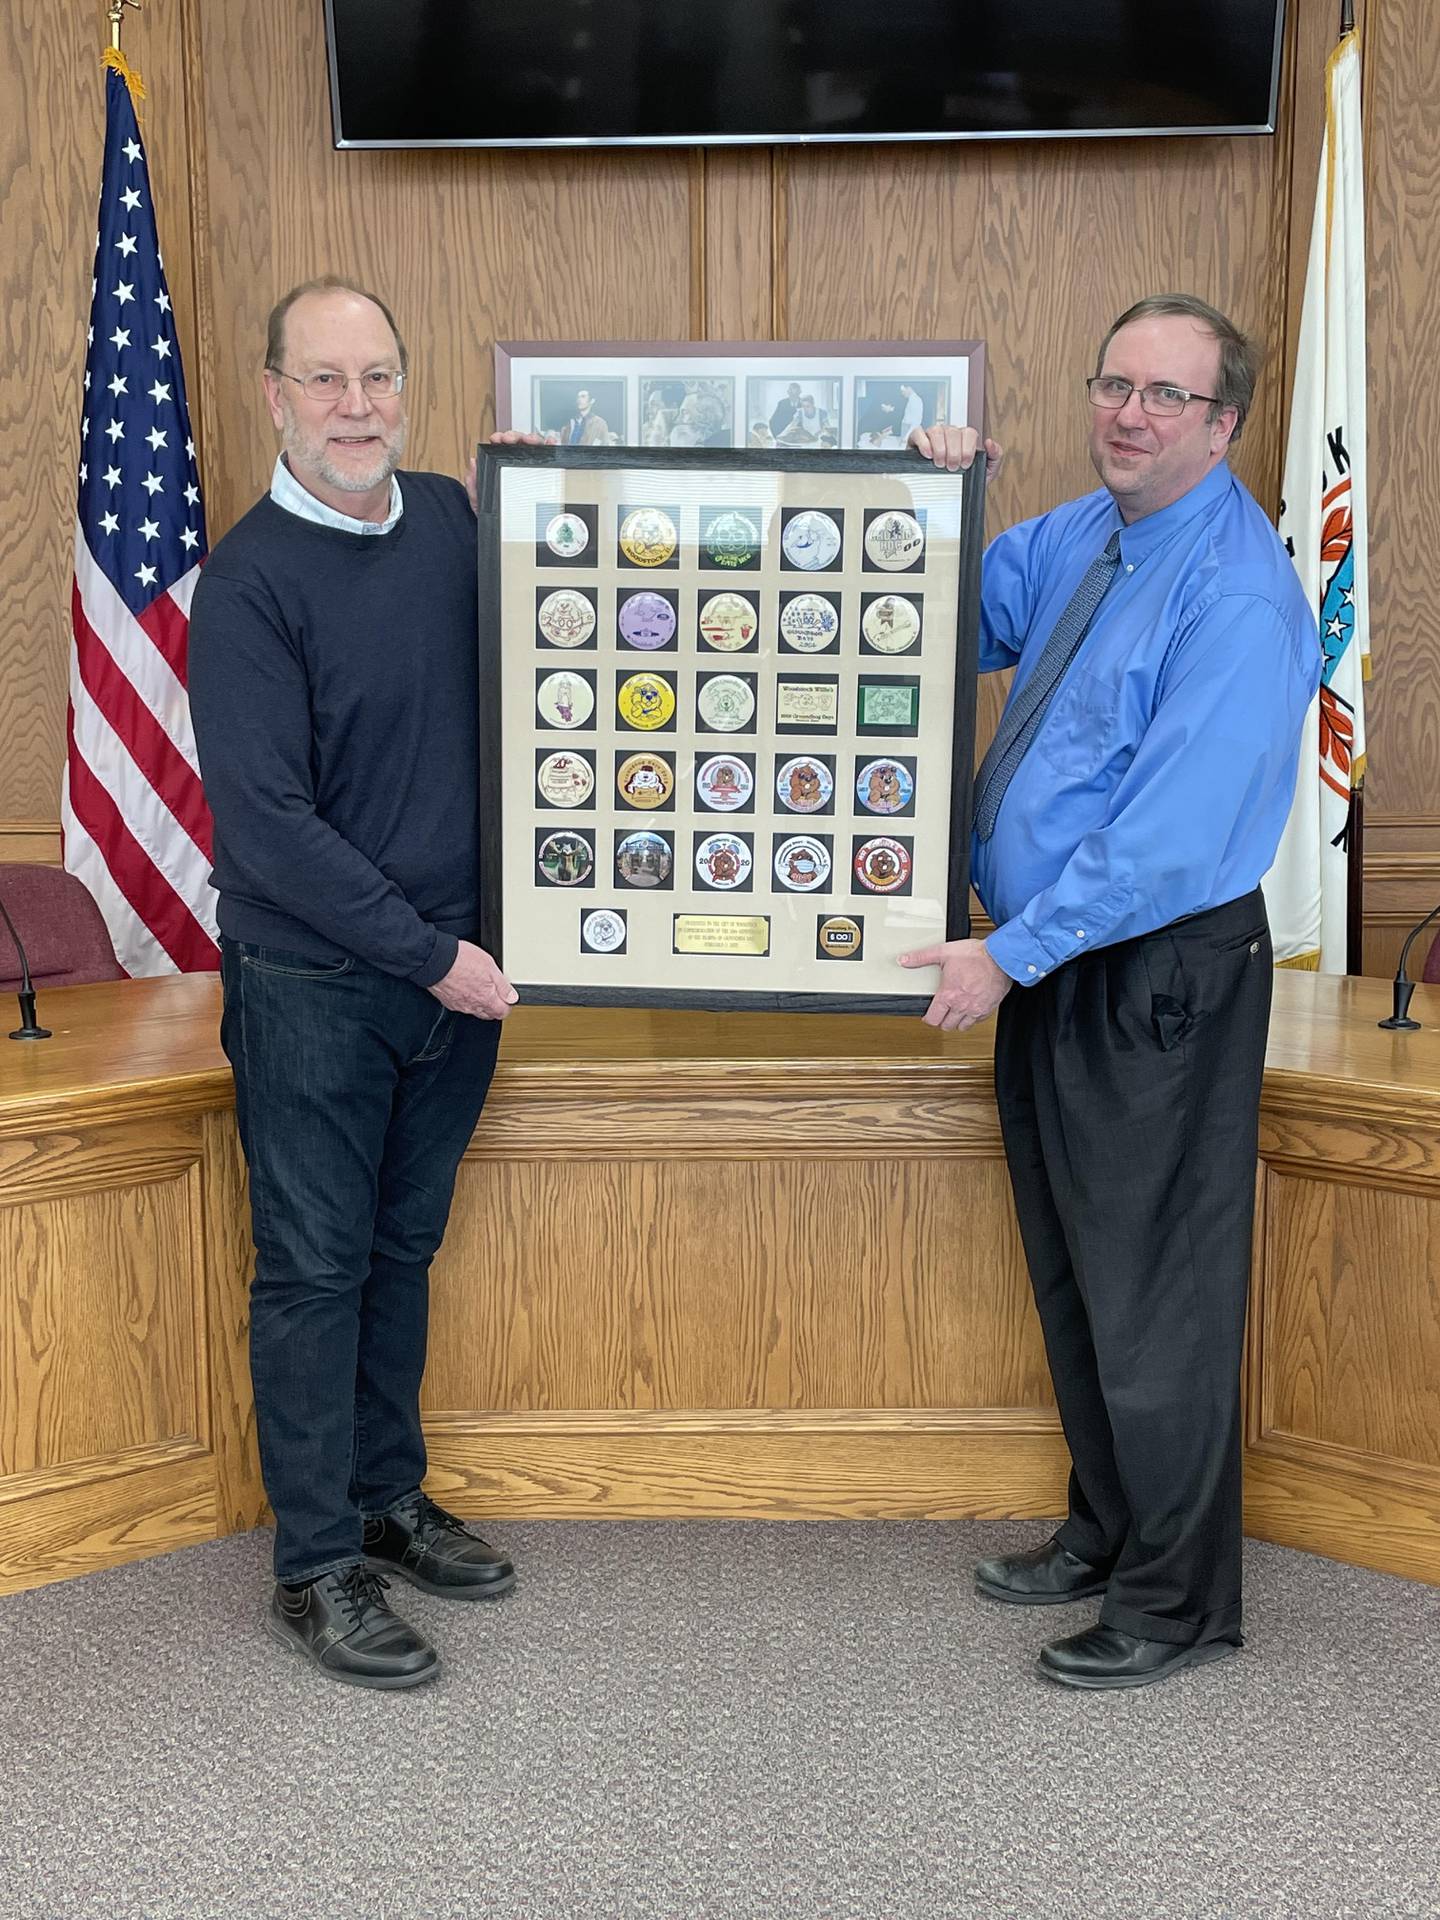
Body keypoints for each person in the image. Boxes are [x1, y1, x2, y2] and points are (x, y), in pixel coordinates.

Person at [904, 294, 1319, 1691]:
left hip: (1153, 976)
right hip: (1050, 963)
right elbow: (941, 618)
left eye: (1165, 397)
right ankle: (1109, 1529)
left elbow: (1166, 839)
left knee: (1157, 1296)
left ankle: (1178, 1600)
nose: (1129, 414)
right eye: (1114, 385)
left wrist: (1006, 954)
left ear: (1224, 424)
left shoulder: (1240, 591)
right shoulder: (1085, 534)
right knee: (1082, 1275)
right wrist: (932, 495)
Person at [189, 276, 520, 1692]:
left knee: (398, 1255)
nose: (356, 406)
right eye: (324, 380)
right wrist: (433, 957)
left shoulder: (451, 517)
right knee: (317, 1273)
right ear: (273, 395)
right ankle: (315, 1562)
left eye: (377, 375)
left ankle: (387, 1497)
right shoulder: (249, 580)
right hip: (322, 985)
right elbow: (269, 828)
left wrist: (918, 481)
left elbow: (636, 550)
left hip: (452, 981)